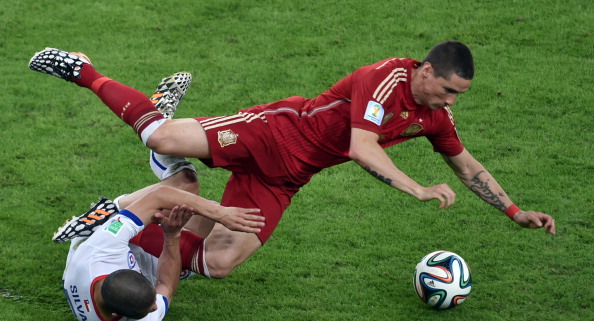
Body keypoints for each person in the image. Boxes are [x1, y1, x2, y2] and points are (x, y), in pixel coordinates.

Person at [30, 41, 556, 281]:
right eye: (448, 89)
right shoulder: (385, 78)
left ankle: (143, 203)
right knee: (163, 136)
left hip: (288, 177)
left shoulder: (434, 116)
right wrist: (416, 188)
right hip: (271, 133)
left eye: (458, 95)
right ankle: (84, 71)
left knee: (217, 261)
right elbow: (361, 147)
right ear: (425, 71)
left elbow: (467, 166)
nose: (451, 101)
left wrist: (515, 211)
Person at [59, 151, 265, 321]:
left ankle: (112, 209)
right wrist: (172, 235)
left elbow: (159, 196)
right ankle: (261, 178)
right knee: (217, 256)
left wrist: (221, 214)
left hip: (102, 236)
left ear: (123, 270)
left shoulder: (99, 253)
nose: (155, 307)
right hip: (140, 257)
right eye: (150, 308)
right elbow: (166, 285)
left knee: (185, 184)